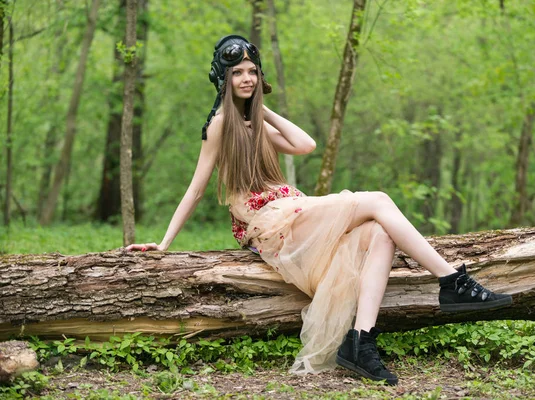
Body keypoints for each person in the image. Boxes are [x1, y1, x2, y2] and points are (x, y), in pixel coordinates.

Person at [126, 34, 512, 385]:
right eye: (237, 72)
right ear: (223, 78)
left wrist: (262, 109)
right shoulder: (220, 125)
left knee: (381, 234)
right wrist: (163, 243)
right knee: (377, 200)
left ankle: (360, 342)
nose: (247, 78)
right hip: (268, 223)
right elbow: (195, 190)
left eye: (253, 72)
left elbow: (305, 144)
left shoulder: (252, 122)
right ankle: (452, 281)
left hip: (292, 212)